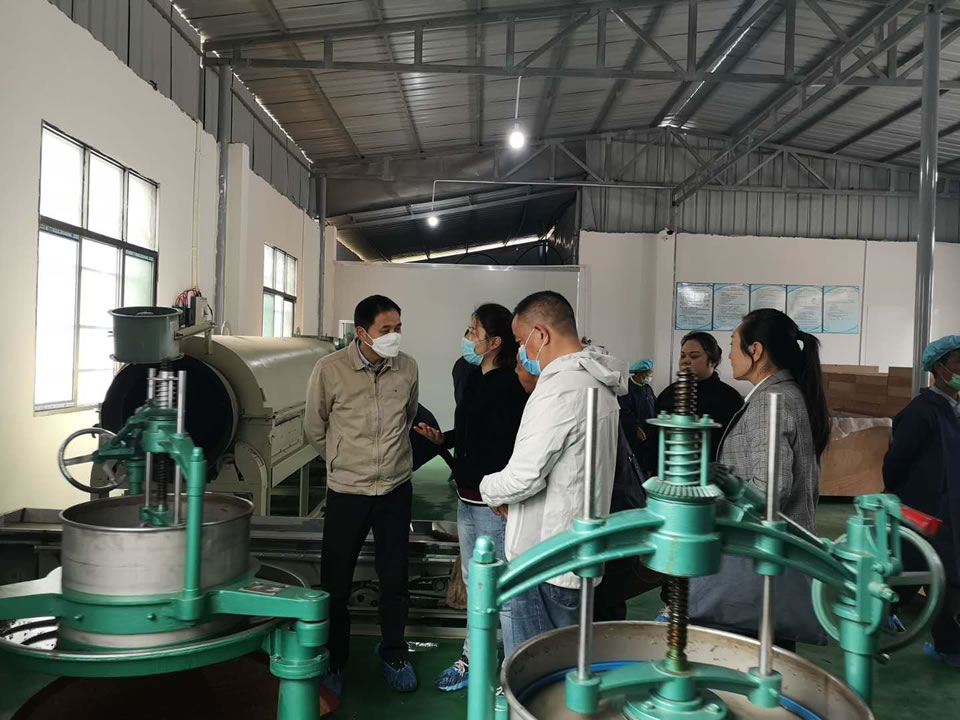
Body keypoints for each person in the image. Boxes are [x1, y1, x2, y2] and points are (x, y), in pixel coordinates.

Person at [479, 291, 626, 651]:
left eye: (520, 342)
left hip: (544, 562)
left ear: (541, 335)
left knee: (535, 667)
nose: (521, 352)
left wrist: (488, 489)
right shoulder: (597, 381)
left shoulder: (561, 389)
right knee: (565, 664)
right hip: (576, 553)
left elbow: (524, 476)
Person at [688, 309, 830, 649]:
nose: (729, 355)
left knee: (756, 655)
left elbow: (770, 491)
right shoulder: (784, 394)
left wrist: (715, 500)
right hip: (774, 558)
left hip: (763, 559)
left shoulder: (771, 401)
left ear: (756, 351)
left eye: (733, 345)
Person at [304, 295, 419, 695]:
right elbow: (314, 427)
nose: (395, 336)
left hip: (395, 489)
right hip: (347, 492)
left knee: (395, 578)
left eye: (398, 327)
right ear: (362, 333)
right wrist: (343, 461)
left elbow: (408, 416)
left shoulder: (407, 367)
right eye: (386, 329)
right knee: (335, 582)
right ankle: (335, 659)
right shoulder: (330, 369)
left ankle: (393, 652)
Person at [413, 304, 528, 691]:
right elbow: (471, 432)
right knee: (472, 582)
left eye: (473, 332)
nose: (466, 338)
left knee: (501, 588)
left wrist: (505, 493)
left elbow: (514, 446)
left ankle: (512, 667)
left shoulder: (512, 386)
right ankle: (474, 656)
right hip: (467, 500)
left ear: (494, 342)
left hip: (495, 505)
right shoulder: (473, 377)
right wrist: (443, 439)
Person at [883, 335, 960, 666]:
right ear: (940, 369)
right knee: (920, 568)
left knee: (944, 574)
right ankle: (885, 614)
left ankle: (949, 645)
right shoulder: (920, 412)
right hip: (923, 509)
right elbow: (895, 463)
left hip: (950, 507)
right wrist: (903, 500)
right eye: (959, 363)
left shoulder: (953, 408)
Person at [646, 333, 743, 474]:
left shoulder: (730, 398)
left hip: (713, 479)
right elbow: (654, 440)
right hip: (669, 475)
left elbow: (737, 448)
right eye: (683, 356)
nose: (686, 361)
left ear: (713, 362)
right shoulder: (668, 394)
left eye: (694, 356)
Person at [620, 359, 657, 460]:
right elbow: (625, 411)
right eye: (649, 373)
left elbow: (654, 404)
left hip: (648, 430)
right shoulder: (627, 388)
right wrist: (635, 428)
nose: (650, 376)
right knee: (636, 458)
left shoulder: (647, 388)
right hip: (635, 432)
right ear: (640, 373)